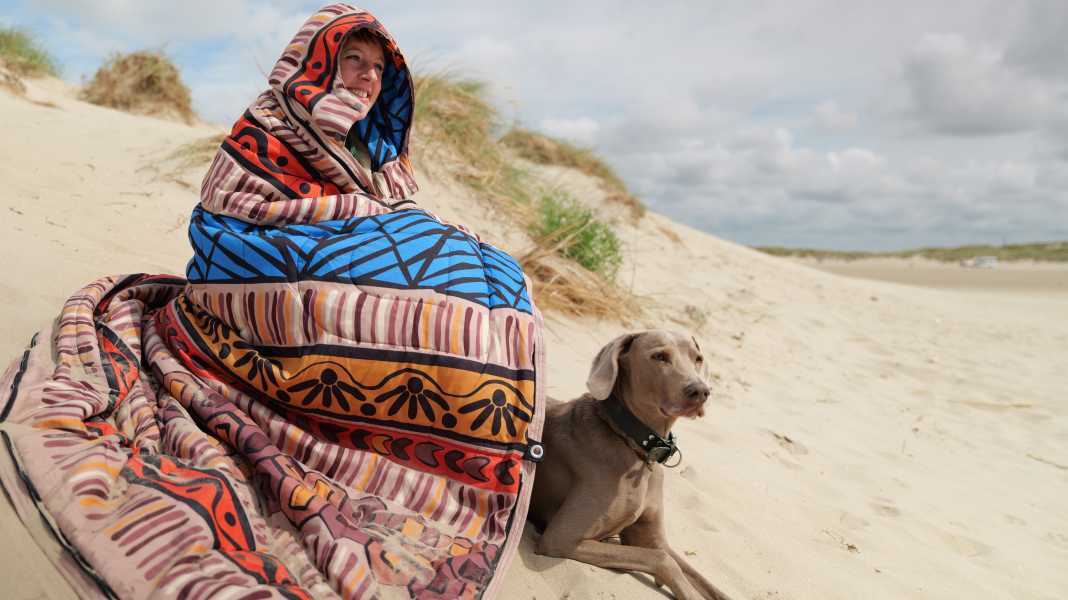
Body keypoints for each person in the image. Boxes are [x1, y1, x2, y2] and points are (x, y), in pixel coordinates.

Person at [0, 5, 544, 600]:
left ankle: (463, 448)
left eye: (374, 69)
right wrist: (351, 206)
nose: (363, 77)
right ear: (315, 64)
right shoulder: (266, 125)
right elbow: (227, 220)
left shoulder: (378, 151)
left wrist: (378, 219)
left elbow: (388, 229)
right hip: (244, 307)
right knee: (431, 307)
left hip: (324, 280)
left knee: (484, 280)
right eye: (350, 61)